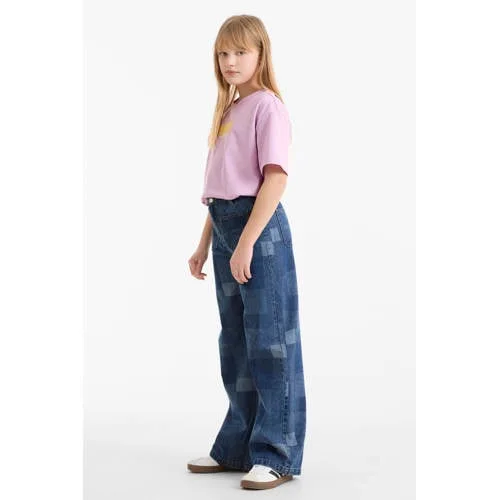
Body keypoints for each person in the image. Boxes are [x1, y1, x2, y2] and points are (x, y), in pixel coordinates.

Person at [187, 14, 307, 491]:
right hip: (225, 228)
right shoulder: (229, 110)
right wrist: (204, 244)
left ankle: (276, 454)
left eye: (240, 51)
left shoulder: (268, 107)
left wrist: (247, 242)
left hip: (258, 231)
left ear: (261, 54)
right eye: (223, 53)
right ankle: (237, 446)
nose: (230, 61)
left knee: (270, 342)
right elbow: (220, 188)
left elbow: (274, 178)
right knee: (235, 342)